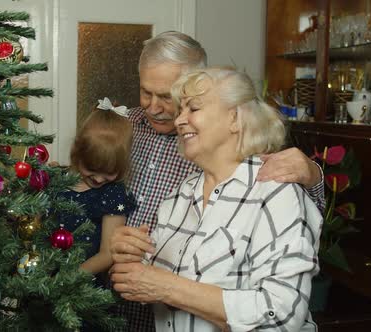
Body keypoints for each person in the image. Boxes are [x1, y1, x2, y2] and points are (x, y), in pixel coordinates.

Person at [118, 31, 325, 331]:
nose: (176, 118)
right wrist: (128, 253)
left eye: (192, 107)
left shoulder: (274, 187)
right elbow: (148, 281)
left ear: (234, 118)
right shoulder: (179, 197)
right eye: (181, 106)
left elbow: (281, 316)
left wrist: (166, 287)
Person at [59, 97, 136, 279]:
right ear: (77, 154)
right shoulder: (58, 181)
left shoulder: (113, 195)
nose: (99, 179)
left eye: (109, 172)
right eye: (91, 170)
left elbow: (107, 255)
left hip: (85, 286)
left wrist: (69, 278)